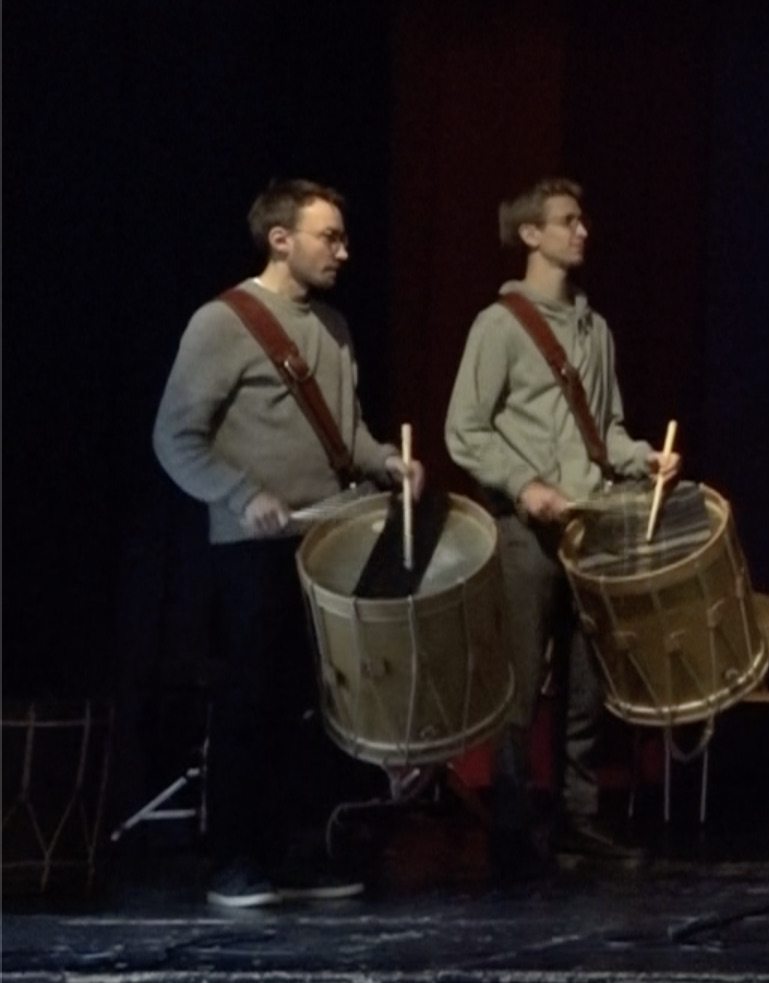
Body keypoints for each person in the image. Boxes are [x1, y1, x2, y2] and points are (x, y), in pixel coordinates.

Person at [154, 179, 426, 907]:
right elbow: (174, 437)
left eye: (343, 237)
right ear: (281, 240)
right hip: (254, 547)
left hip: (329, 540)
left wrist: (387, 462)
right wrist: (244, 493)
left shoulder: (333, 324)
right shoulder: (222, 323)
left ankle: (294, 851)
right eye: (328, 236)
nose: (344, 250)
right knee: (253, 699)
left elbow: (347, 433)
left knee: (315, 706)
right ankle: (235, 858)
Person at [446, 178, 673, 872]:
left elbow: (607, 430)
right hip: (526, 531)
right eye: (567, 221)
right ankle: (513, 826)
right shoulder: (499, 326)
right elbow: (465, 429)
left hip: (590, 525)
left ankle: (578, 817)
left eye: (582, 219)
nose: (583, 231)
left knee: (587, 683)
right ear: (531, 235)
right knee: (520, 682)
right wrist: (525, 485)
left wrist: (643, 459)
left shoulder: (594, 329)